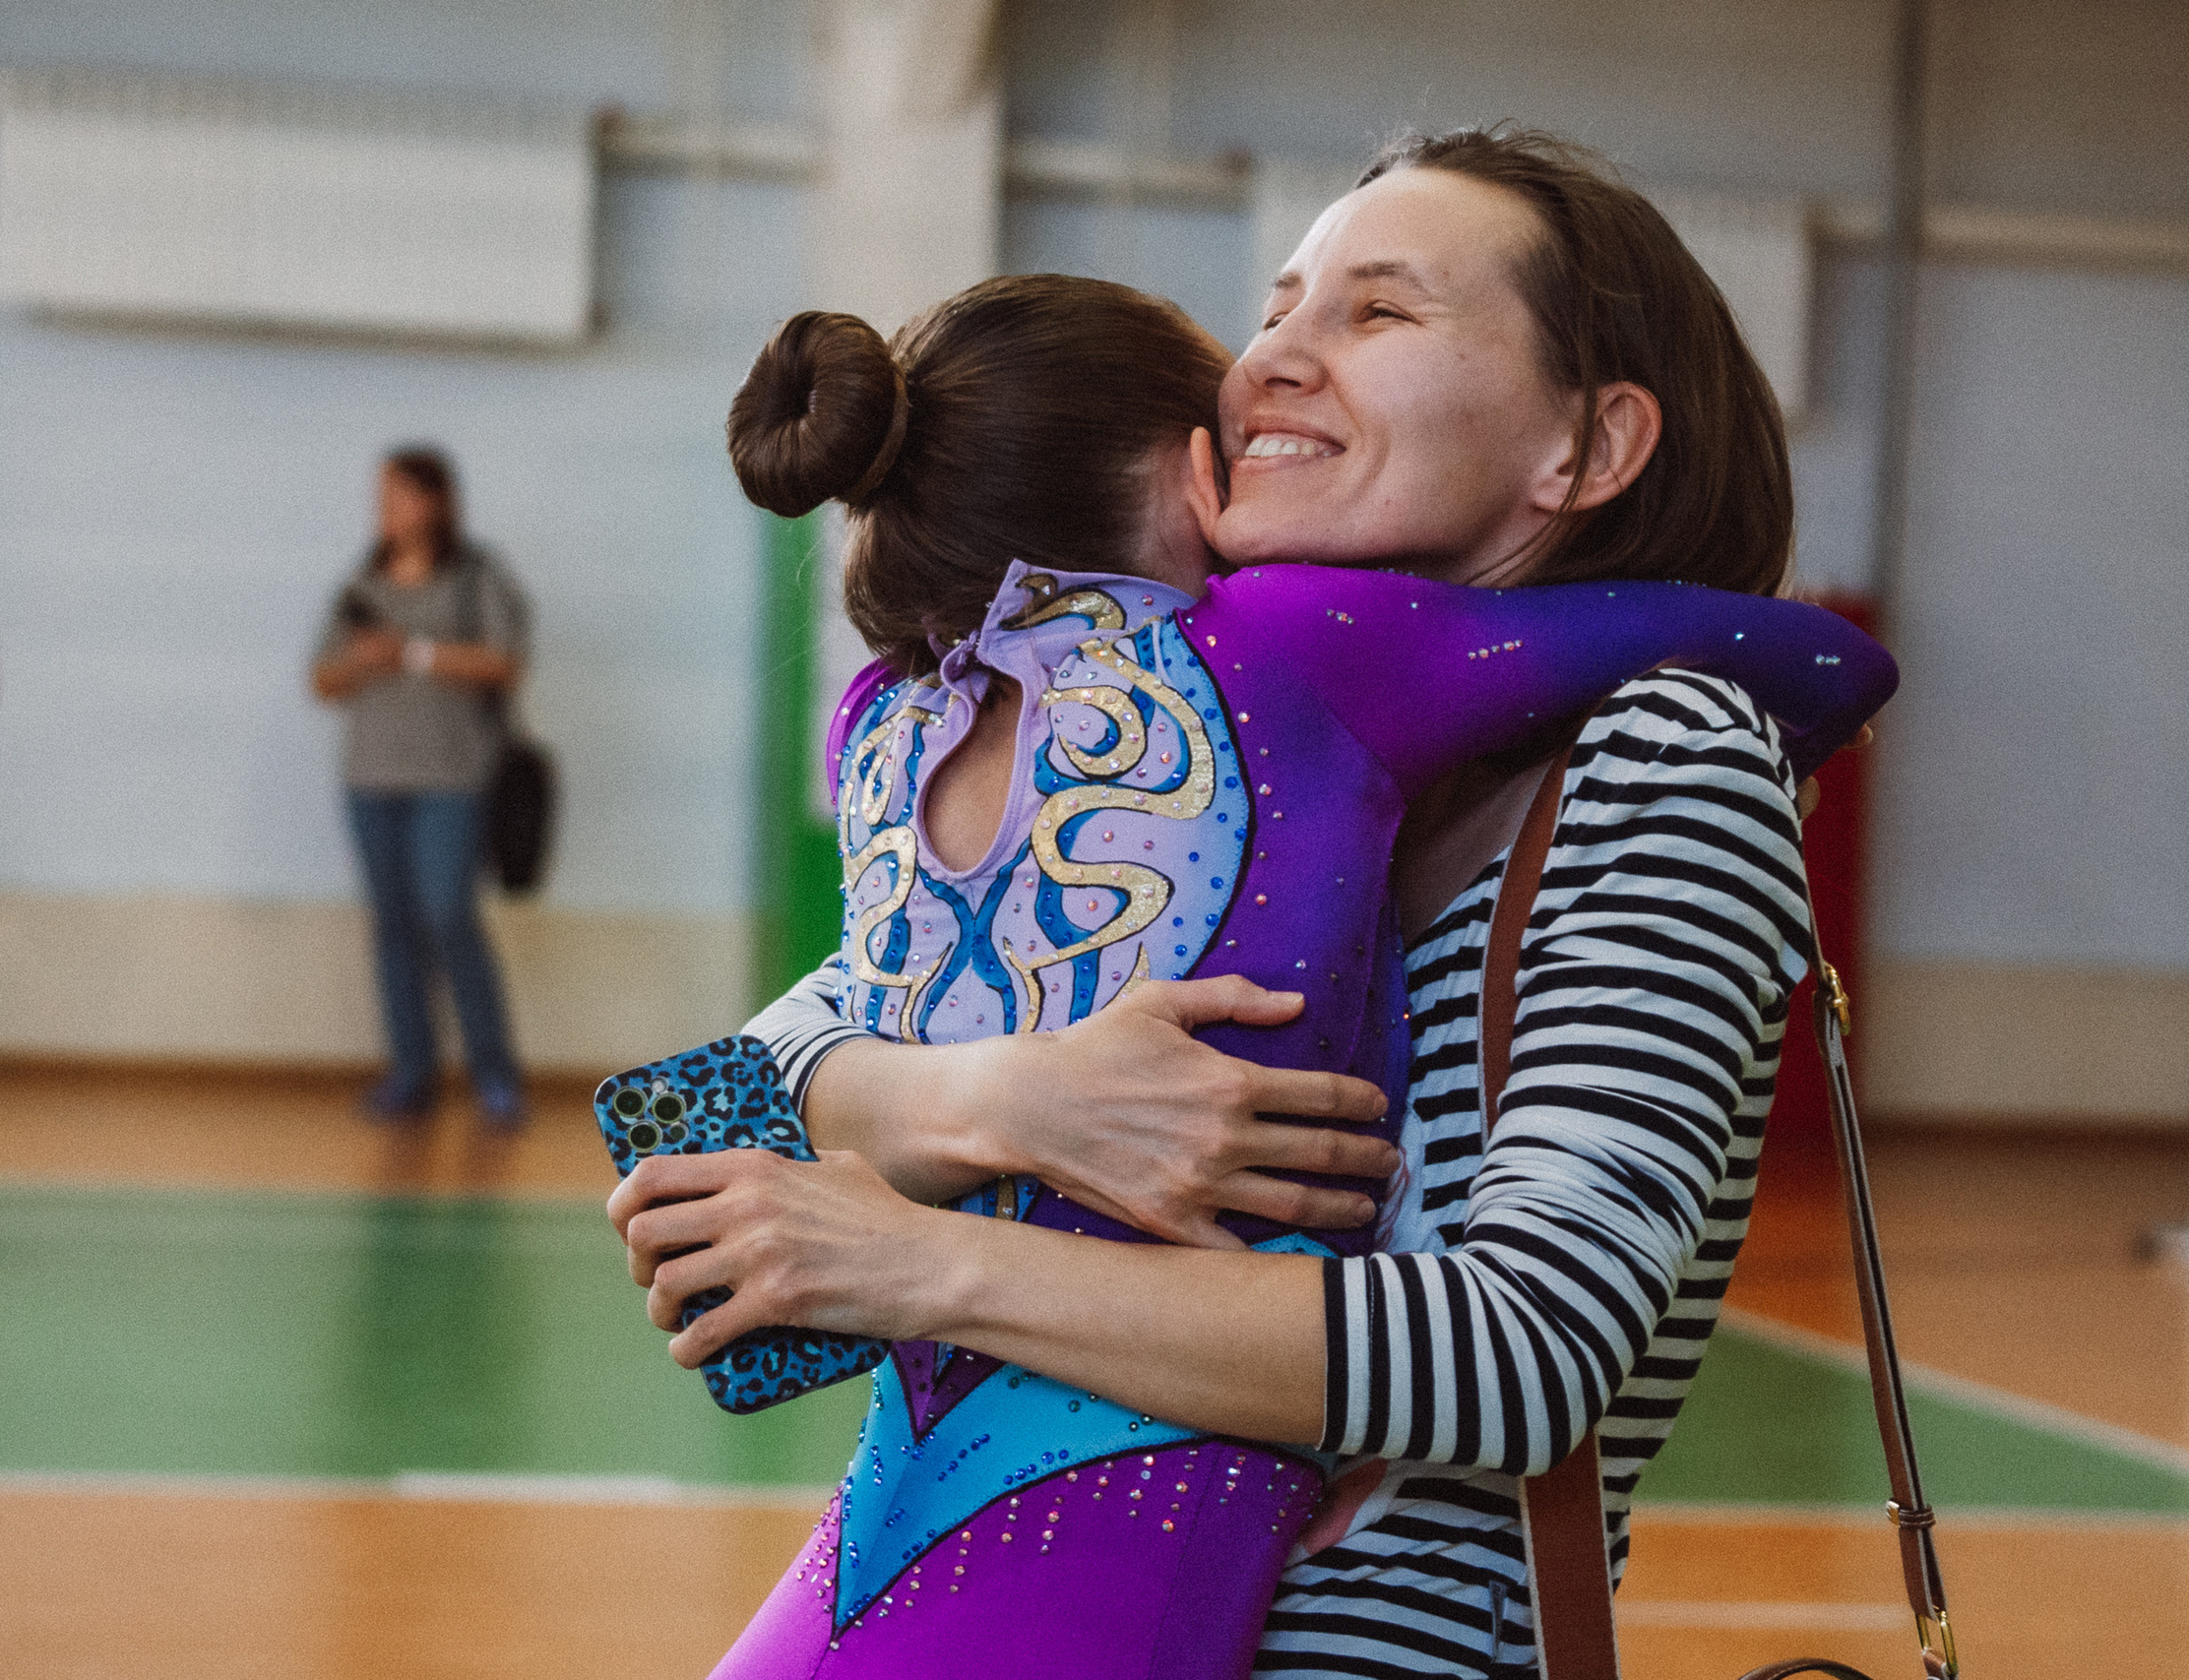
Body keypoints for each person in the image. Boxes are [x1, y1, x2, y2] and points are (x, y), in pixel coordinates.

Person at [617, 125, 1845, 1677]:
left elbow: (1532, 1349)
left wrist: (929, 1264)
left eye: (1377, 312)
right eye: (1279, 306)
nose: (1273, 359)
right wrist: (1019, 1098)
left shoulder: (1660, 749)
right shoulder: (1185, 733)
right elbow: (740, 1103)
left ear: (1588, 449)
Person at [311, 447, 530, 1127]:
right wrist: (363, 661)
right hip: (372, 776)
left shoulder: (476, 577)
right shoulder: (361, 582)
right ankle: (413, 1073)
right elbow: (322, 678)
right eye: (381, 495)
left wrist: (411, 652)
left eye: (398, 494)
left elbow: (503, 662)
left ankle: (495, 1074)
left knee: (448, 915)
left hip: (452, 777)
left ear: (434, 501)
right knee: (394, 925)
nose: (385, 508)